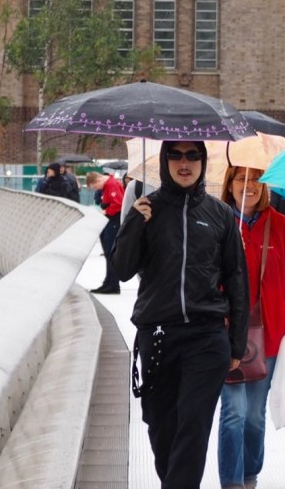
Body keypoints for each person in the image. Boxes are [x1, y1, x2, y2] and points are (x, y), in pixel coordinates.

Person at [110, 140, 249, 489]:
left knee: (193, 424)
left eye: (192, 156)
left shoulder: (220, 215)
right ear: (164, 161)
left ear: (203, 162)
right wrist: (133, 224)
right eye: (175, 155)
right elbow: (122, 269)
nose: (184, 163)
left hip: (206, 337)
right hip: (157, 335)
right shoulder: (147, 210)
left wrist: (236, 344)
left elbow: (236, 280)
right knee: (161, 426)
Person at [218, 164, 285, 489]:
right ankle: (231, 481)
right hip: (228, 339)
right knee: (234, 413)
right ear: (229, 185)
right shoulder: (219, 223)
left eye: (256, 178)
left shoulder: (281, 227)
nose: (249, 185)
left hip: (267, 340)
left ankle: (249, 474)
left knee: (254, 416)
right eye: (241, 178)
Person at [86, 170, 125, 294]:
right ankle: (109, 282)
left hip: (114, 221)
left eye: (96, 187)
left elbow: (118, 204)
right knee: (109, 253)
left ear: (98, 180)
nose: (97, 189)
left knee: (111, 252)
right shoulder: (109, 184)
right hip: (112, 221)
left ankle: (113, 284)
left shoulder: (111, 185)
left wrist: (107, 211)